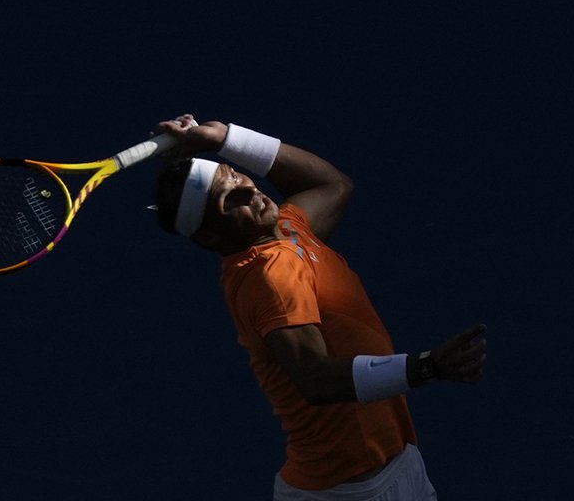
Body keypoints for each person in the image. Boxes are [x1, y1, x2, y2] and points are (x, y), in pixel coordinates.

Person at [150, 114, 488, 501]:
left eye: (241, 180)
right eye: (233, 201)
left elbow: (332, 184)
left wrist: (225, 138)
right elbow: (316, 379)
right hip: (345, 492)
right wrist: (427, 366)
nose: (254, 193)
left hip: (394, 466)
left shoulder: (289, 230)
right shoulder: (267, 276)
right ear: (211, 236)